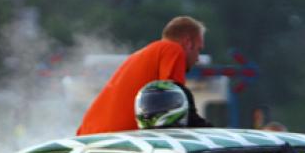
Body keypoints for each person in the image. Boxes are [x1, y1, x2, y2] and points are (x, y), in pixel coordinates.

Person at [77, 16, 211, 136]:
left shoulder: (141, 54)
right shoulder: (172, 49)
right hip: (119, 140)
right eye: (198, 49)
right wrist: (211, 135)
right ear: (188, 42)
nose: (197, 59)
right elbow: (174, 105)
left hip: (90, 136)